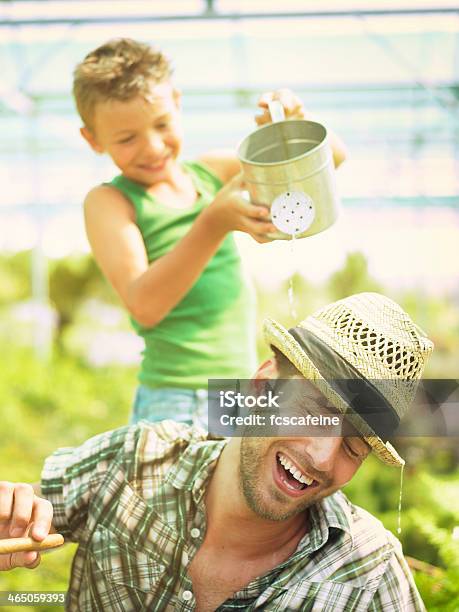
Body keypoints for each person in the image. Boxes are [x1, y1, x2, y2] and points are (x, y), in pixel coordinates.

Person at [0, 293, 430, 610]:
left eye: (353, 447)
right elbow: (22, 516)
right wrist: (11, 513)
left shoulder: (368, 576)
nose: (321, 457)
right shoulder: (129, 462)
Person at [73, 38, 347, 426]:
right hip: (176, 399)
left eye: (162, 125)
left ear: (178, 104)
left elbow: (333, 157)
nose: (152, 148)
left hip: (240, 391)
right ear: (93, 139)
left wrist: (294, 126)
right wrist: (213, 222)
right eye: (127, 139)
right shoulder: (111, 202)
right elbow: (144, 305)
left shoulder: (208, 173)